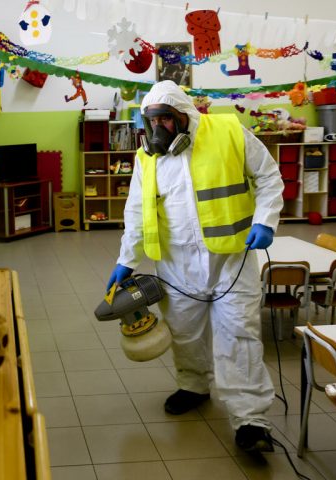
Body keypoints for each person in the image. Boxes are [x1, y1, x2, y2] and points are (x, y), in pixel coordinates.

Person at [106, 80, 284, 453]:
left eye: (166, 121)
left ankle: (250, 420)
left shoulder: (230, 133)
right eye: (151, 122)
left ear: (185, 116)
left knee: (240, 334)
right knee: (185, 332)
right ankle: (193, 385)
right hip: (176, 263)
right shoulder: (147, 157)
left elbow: (268, 177)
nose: (158, 131)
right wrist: (127, 259)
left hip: (231, 259)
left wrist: (265, 220)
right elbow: (136, 212)